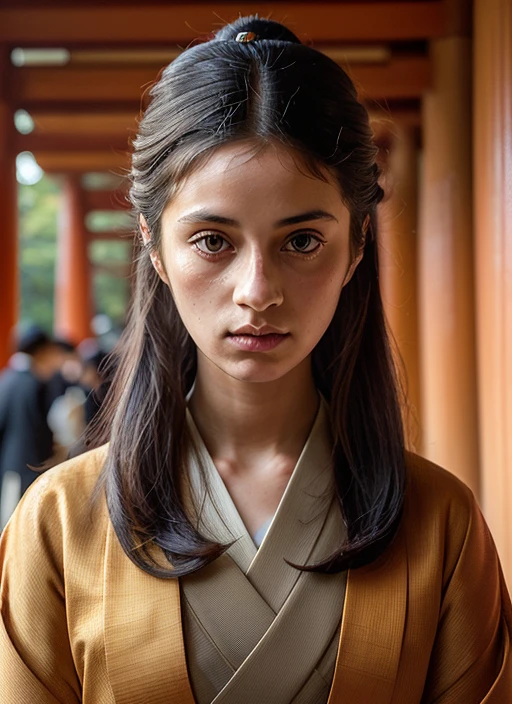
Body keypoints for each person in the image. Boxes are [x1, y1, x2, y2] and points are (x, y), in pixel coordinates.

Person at [1, 16, 511, 703]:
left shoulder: (442, 522)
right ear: (155, 246)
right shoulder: (58, 523)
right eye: (213, 240)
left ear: (357, 245)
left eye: (302, 241)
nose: (258, 293)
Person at [0, 325, 64, 528]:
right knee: (24, 525)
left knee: (9, 524)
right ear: (42, 351)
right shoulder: (37, 383)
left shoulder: (7, 377)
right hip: (31, 465)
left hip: (9, 463)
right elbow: (40, 430)